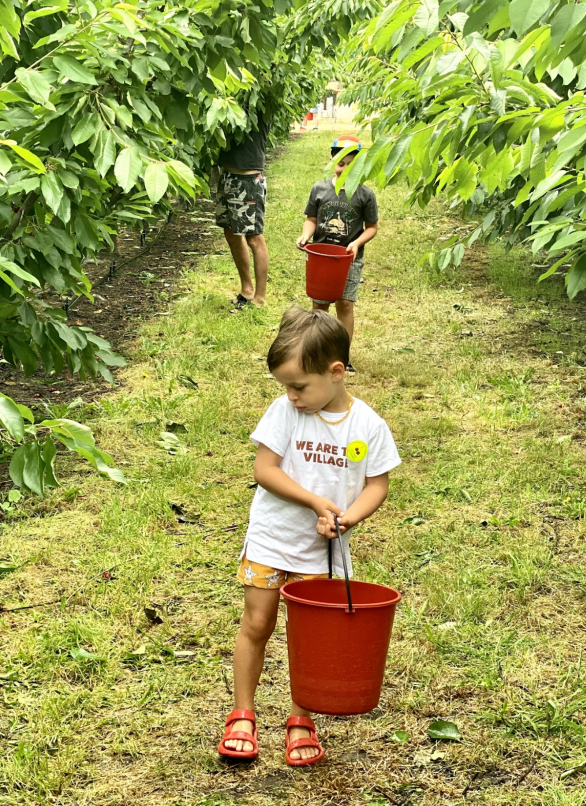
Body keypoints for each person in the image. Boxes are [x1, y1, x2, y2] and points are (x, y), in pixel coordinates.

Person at [217, 307, 401, 766]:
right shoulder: (285, 412)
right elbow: (264, 470)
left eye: (299, 386)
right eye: (286, 387)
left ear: (336, 372)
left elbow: (377, 483)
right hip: (272, 539)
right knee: (256, 624)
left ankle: (301, 717)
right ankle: (243, 712)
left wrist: (348, 517)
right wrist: (316, 503)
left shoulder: (368, 427)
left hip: (321, 551)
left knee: (310, 637)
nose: (292, 396)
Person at [297, 137, 379, 374]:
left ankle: (342, 356)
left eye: (351, 165)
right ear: (332, 161)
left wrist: (356, 242)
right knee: (319, 304)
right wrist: (305, 236)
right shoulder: (320, 189)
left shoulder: (365, 195)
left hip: (348, 259)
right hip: (321, 257)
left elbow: (372, 226)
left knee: (345, 304)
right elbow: (311, 219)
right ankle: (318, 352)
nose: (344, 169)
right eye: (340, 163)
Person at [216, 108, 270, 308]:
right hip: (227, 176)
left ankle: (260, 297)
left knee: (254, 237)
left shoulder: (260, 100)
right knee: (230, 233)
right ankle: (247, 290)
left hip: (248, 179)